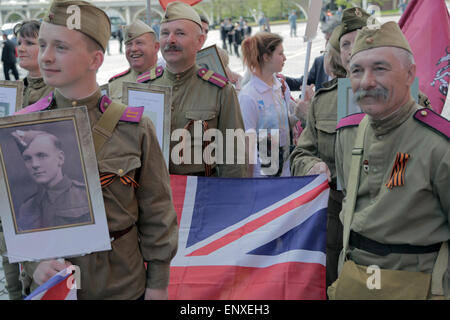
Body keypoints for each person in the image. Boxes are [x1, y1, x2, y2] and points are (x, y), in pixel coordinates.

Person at [18, 0, 178, 300]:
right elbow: (9, 219)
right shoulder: (20, 129)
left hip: (120, 286)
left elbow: (157, 213)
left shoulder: (134, 127)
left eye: (61, 47)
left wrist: (158, 284)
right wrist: (32, 263)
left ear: (95, 60)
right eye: (43, 44)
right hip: (52, 289)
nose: (46, 56)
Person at [330, 21, 450, 300]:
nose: (367, 81)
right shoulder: (347, 134)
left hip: (422, 287)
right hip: (357, 284)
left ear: (410, 74)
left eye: (380, 68)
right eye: (357, 71)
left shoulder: (439, 144)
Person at [289, 7, 369, 291]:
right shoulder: (323, 102)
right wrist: (312, 165)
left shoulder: (405, 99)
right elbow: (300, 154)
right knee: (333, 286)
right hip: (334, 218)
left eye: (361, 39)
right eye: (345, 43)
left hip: (383, 218)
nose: (352, 49)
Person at [146, 1, 247, 178]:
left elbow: (234, 157)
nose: (171, 40)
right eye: (164, 33)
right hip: (152, 195)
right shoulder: (143, 88)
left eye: (180, 33)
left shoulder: (220, 90)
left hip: (201, 194)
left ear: (199, 41)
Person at [12, 130, 91, 232]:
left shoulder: (87, 196)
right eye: (28, 158)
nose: (34, 164)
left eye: (42, 155)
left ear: (60, 158)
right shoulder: (26, 207)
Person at [239, 32, 292, 177]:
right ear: (266, 57)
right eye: (280, 53)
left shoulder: (281, 85)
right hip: (262, 175)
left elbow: (287, 121)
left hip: (286, 169)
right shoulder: (248, 96)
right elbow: (247, 146)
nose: (285, 58)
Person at [108, 19, 160, 103]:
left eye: (139, 43)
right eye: (129, 44)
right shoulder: (113, 85)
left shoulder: (169, 81)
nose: (133, 49)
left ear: (156, 47)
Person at [284, 16, 341, 92]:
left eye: (329, 40)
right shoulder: (320, 62)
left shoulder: (350, 64)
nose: (327, 44)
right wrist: (283, 79)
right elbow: (303, 83)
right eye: (326, 40)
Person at [14, 20, 53, 107]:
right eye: (19, 43)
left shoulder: (62, 91)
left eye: (29, 43)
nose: (20, 48)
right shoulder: (17, 89)